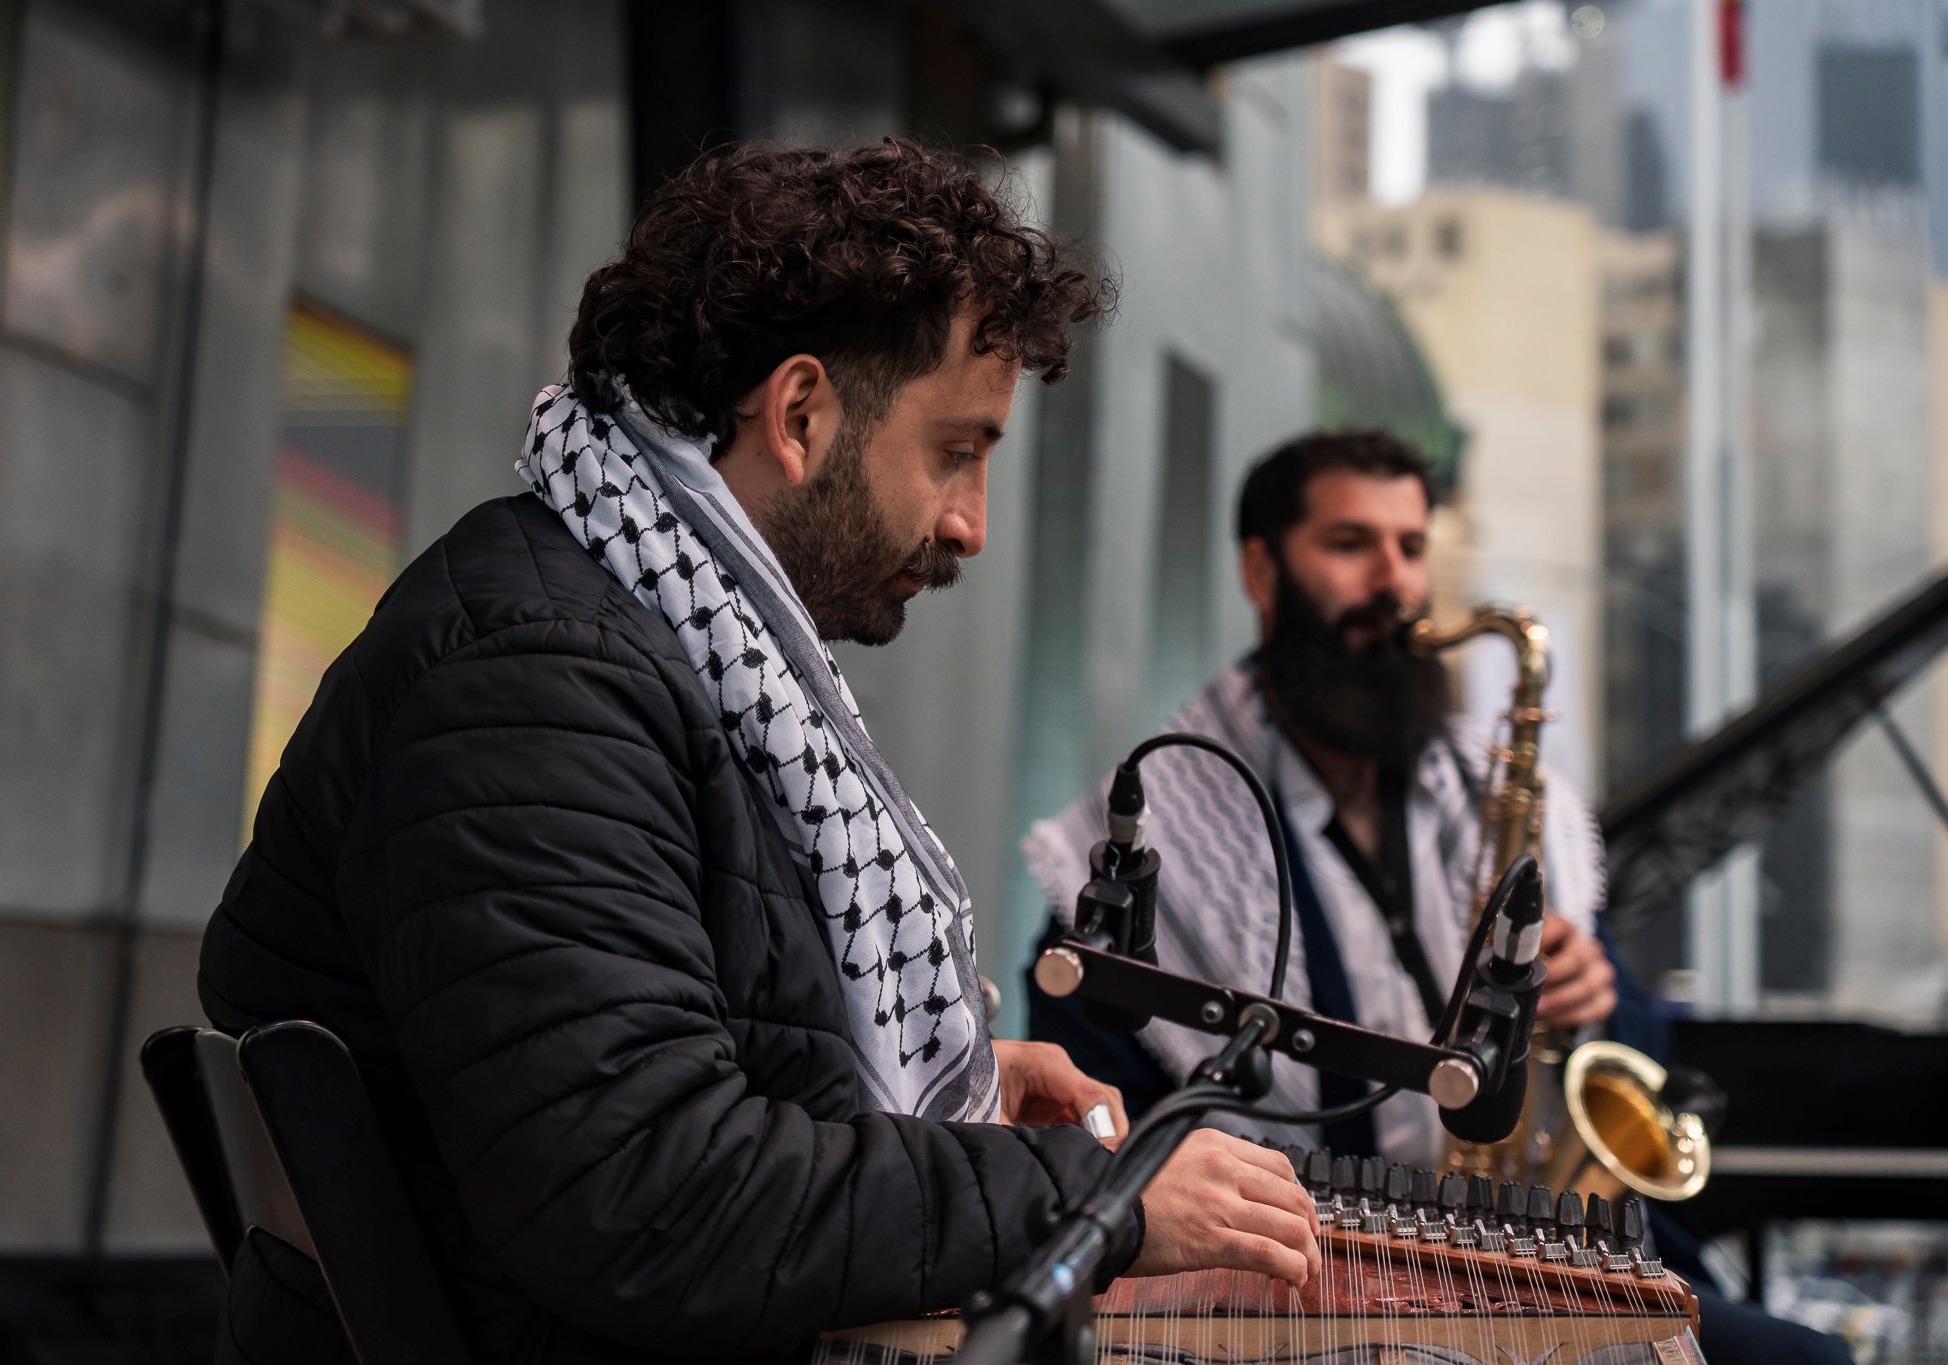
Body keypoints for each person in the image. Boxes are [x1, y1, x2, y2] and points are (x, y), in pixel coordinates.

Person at [197, 141, 1318, 1365]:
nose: (970, 525)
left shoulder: (647, 632)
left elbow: (629, 1064)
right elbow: (647, 1195)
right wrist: (1089, 1202)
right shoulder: (530, 681)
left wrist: (946, 1091)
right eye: (957, 449)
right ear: (796, 415)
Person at [1022, 428, 1851, 1365]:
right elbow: (1097, 1125)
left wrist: (1593, 999)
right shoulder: (1146, 840)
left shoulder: (1500, 797)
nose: (1395, 582)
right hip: (1300, 1294)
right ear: (1262, 571)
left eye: (1412, 547)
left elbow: (1636, 1063)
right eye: (1351, 544)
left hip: (1524, 1259)